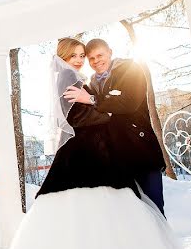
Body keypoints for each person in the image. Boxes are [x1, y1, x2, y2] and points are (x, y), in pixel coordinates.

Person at [0, 37, 191, 249]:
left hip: (132, 155)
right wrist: (103, 112)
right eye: (76, 56)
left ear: (109, 53)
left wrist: (96, 102)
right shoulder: (72, 79)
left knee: (149, 214)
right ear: (62, 58)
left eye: (86, 55)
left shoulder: (119, 73)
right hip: (95, 156)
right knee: (123, 217)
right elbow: (79, 118)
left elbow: (127, 103)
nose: (83, 60)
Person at [63, 37, 168, 214]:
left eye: (100, 55)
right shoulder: (90, 84)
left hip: (141, 152)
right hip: (117, 160)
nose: (97, 61)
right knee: (131, 214)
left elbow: (129, 102)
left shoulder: (131, 69)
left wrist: (92, 100)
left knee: (154, 209)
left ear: (110, 52)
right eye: (92, 58)